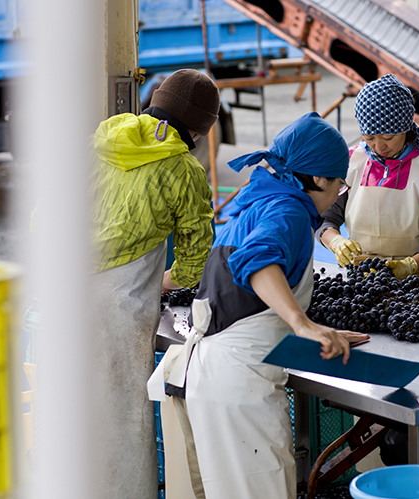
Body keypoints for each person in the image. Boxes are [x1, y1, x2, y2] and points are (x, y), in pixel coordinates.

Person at [152, 112, 369, 499]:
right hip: (238, 390)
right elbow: (258, 263)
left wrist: (310, 332)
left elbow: (245, 311)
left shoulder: (263, 203)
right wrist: (303, 323)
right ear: (318, 179)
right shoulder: (289, 213)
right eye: (339, 182)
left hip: (217, 376)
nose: (339, 192)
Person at [90, 68, 218, 498]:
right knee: (123, 420)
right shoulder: (182, 170)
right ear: (199, 130)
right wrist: (168, 281)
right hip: (119, 310)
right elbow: (196, 256)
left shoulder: (104, 140)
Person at [318, 74, 419, 285]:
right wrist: (336, 242)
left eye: (388, 137)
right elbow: (325, 218)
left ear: (405, 127)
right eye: (369, 138)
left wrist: (411, 265)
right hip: (362, 282)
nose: (379, 146)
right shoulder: (349, 163)